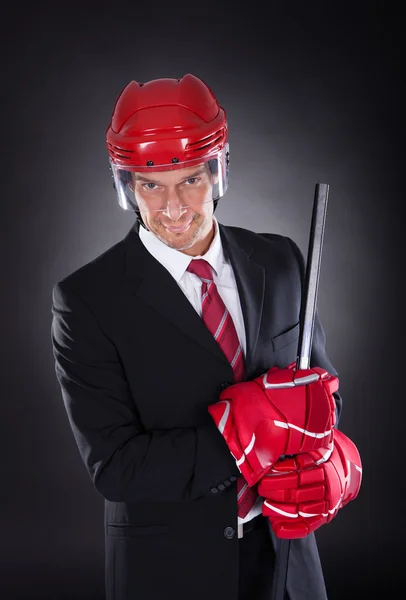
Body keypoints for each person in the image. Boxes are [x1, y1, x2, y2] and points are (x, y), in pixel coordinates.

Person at [51, 74, 362, 600]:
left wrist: (336, 462)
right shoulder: (86, 300)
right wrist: (241, 440)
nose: (172, 209)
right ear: (125, 185)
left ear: (218, 172)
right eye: (151, 185)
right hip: (169, 573)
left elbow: (323, 395)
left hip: (289, 567)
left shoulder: (281, 260)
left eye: (190, 180)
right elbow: (116, 468)